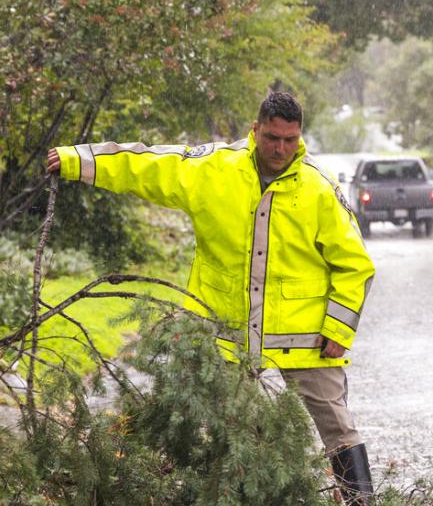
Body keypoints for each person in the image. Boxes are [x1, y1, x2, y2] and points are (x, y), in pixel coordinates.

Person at [47, 91, 375, 503]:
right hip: (227, 336)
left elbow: (356, 266)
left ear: (300, 136)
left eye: (290, 140)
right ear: (255, 130)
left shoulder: (319, 189)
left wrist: (339, 328)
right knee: (234, 432)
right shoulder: (213, 169)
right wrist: (78, 160)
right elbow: (148, 165)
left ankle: (363, 502)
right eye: (273, 138)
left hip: (307, 339)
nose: (281, 149)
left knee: (338, 428)